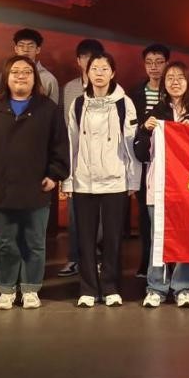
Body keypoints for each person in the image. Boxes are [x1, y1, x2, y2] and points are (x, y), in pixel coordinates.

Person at [0, 56, 69, 310]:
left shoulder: (47, 108)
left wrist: (55, 174)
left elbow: (60, 145)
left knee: (34, 243)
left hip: (37, 188)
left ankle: (31, 288)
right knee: (5, 243)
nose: (21, 76)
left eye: (27, 72)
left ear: (35, 78)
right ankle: (6, 288)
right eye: (15, 72)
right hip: (1, 188)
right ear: (6, 77)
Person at [64, 52, 140, 308]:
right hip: (83, 181)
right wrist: (68, 180)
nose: (98, 73)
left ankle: (110, 287)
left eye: (104, 68)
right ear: (87, 73)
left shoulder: (124, 103)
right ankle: (87, 288)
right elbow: (71, 143)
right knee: (84, 238)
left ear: (113, 73)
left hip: (115, 181)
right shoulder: (78, 104)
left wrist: (133, 181)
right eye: (94, 68)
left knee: (113, 238)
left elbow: (130, 143)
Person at [134, 61, 189, 308]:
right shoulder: (154, 114)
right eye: (170, 78)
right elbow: (140, 154)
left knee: (188, 237)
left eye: (180, 77)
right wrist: (144, 131)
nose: (175, 82)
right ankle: (156, 287)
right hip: (159, 185)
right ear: (163, 84)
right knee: (158, 237)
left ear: (188, 82)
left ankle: (183, 287)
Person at [57, 38, 105, 278]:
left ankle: (97, 258)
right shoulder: (69, 89)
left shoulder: (112, 89)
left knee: (100, 216)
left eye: (93, 57)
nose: (89, 62)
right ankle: (75, 259)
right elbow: (64, 127)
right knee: (75, 214)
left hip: (104, 161)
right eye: (84, 57)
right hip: (76, 161)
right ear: (78, 61)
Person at [133, 43, 170, 277]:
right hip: (144, 161)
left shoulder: (174, 91)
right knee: (145, 215)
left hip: (169, 163)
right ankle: (146, 261)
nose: (154, 67)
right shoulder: (135, 93)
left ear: (167, 63)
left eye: (159, 62)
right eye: (149, 62)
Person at [11, 28, 59, 101]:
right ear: (16, 49)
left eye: (30, 46)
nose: (26, 50)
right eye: (21, 45)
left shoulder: (48, 79)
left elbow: (53, 106)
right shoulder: (6, 74)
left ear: (37, 50)